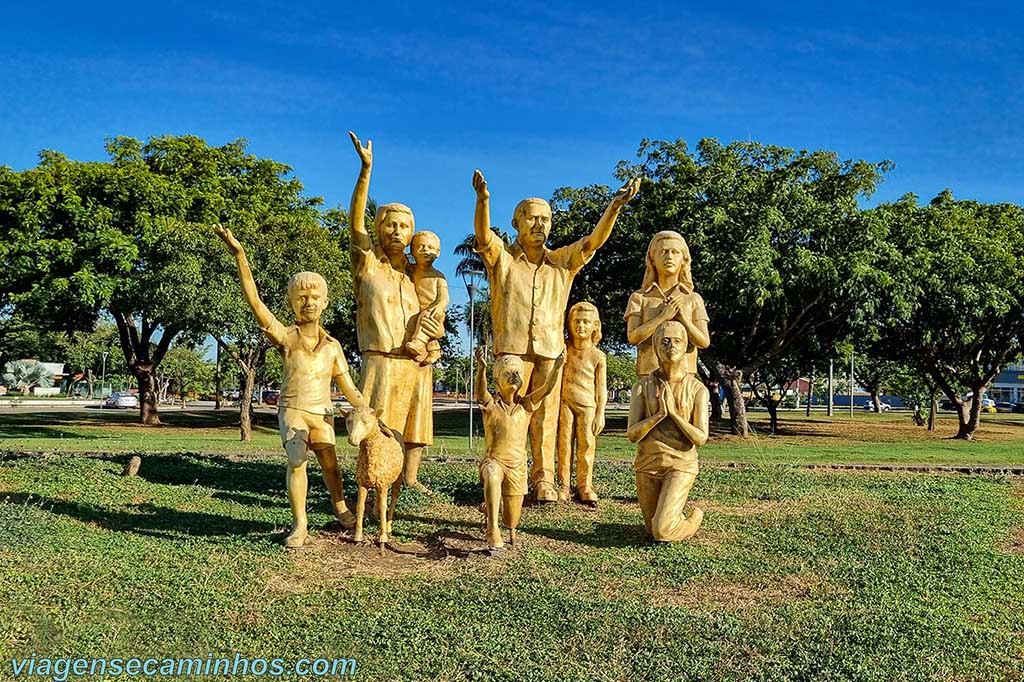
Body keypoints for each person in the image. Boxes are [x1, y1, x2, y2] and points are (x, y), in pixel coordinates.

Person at [471, 169, 639, 502]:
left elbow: (594, 241)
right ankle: (503, 474)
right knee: (506, 415)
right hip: (512, 353)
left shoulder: (563, 262)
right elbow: (484, 237)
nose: (539, 225)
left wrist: (615, 207)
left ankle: (543, 480)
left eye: (545, 219)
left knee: (546, 420)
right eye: (531, 218)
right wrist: (483, 200)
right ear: (517, 223)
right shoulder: (502, 259)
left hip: (549, 351)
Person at [214, 224, 367, 549]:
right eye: (301, 298)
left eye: (314, 297)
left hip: (322, 413)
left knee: (329, 463)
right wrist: (240, 255)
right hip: (294, 410)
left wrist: (364, 406)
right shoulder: (285, 337)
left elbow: (349, 388)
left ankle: (339, 505)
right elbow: (255, 303)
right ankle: (300, 524)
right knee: (297, 459)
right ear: (291, 303)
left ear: (325, 302)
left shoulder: (333, 346)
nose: (308, 303)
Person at [348, 132, 443, 492]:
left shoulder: (417, 276)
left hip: (415, 360)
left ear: (413, 233)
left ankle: (410, 478)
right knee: (376, 425)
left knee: (417, 424)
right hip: (381, 359)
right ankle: (371, 483)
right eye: (390, 223)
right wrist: (365, 170)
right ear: (379, 227)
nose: (396, 231)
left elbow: (435, 311)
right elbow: (355, 224)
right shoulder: (368, 265)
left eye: (404, 226)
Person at [475, 347, 563, 552]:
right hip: (495, 461)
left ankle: (493, 508)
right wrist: (481, 369)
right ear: (497, 379)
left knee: (512, 521)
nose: (514, 376)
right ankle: (492, 529)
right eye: (508, 372)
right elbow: (481, 392)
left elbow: (548, 388)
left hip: (517, 467)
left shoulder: (527, 405)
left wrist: (557, 368)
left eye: (517, 373)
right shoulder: (490, 404)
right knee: (492, 474)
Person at [627, 320, 708, 542]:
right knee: (650, 529)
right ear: (655, 347)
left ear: (686, 347)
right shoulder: (642, 387)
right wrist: (658, 416)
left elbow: (700, 438)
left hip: (680, 464)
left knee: (662, 531)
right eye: (664, 341)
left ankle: (692, 520)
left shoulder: (697, 389)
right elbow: (632, 435)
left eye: (677, 341)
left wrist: (674, 414)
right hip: (647, 464)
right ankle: (671, 514)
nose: (670, 346)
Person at [624, 231, 710, 377]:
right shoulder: (639, 297)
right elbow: (633, 337)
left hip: (685, 377)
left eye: (675, 252)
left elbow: (703, 341)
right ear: (652, 259)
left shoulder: (693, 299)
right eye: (663, 252)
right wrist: (663, 317)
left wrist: (683, 319)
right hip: (648, 375)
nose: (669, 257)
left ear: (683, 259)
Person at [556, 302, 607, 505]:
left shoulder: (598, 356)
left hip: (588, 406)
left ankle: (585, 485)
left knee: (586, 446)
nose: (581, 326)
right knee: (564, 445)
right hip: (565, 403)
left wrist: (600, 413)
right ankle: (564, 484)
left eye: (586, 322)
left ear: (595, 325)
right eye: (577, 321)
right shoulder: (563, 349)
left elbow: (601, 388)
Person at [405, 231, 449, 365]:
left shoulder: (438, 276)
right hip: (418, 311)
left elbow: (444, 298)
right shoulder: (410, 270)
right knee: (424, 322)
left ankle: (419, 343)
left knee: (426, 318)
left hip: (434, 311)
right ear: (412, 250)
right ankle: (434, 351)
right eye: (421, 246)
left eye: (430, 247)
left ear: (438, 252)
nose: (425, 250)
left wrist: (439, 306)